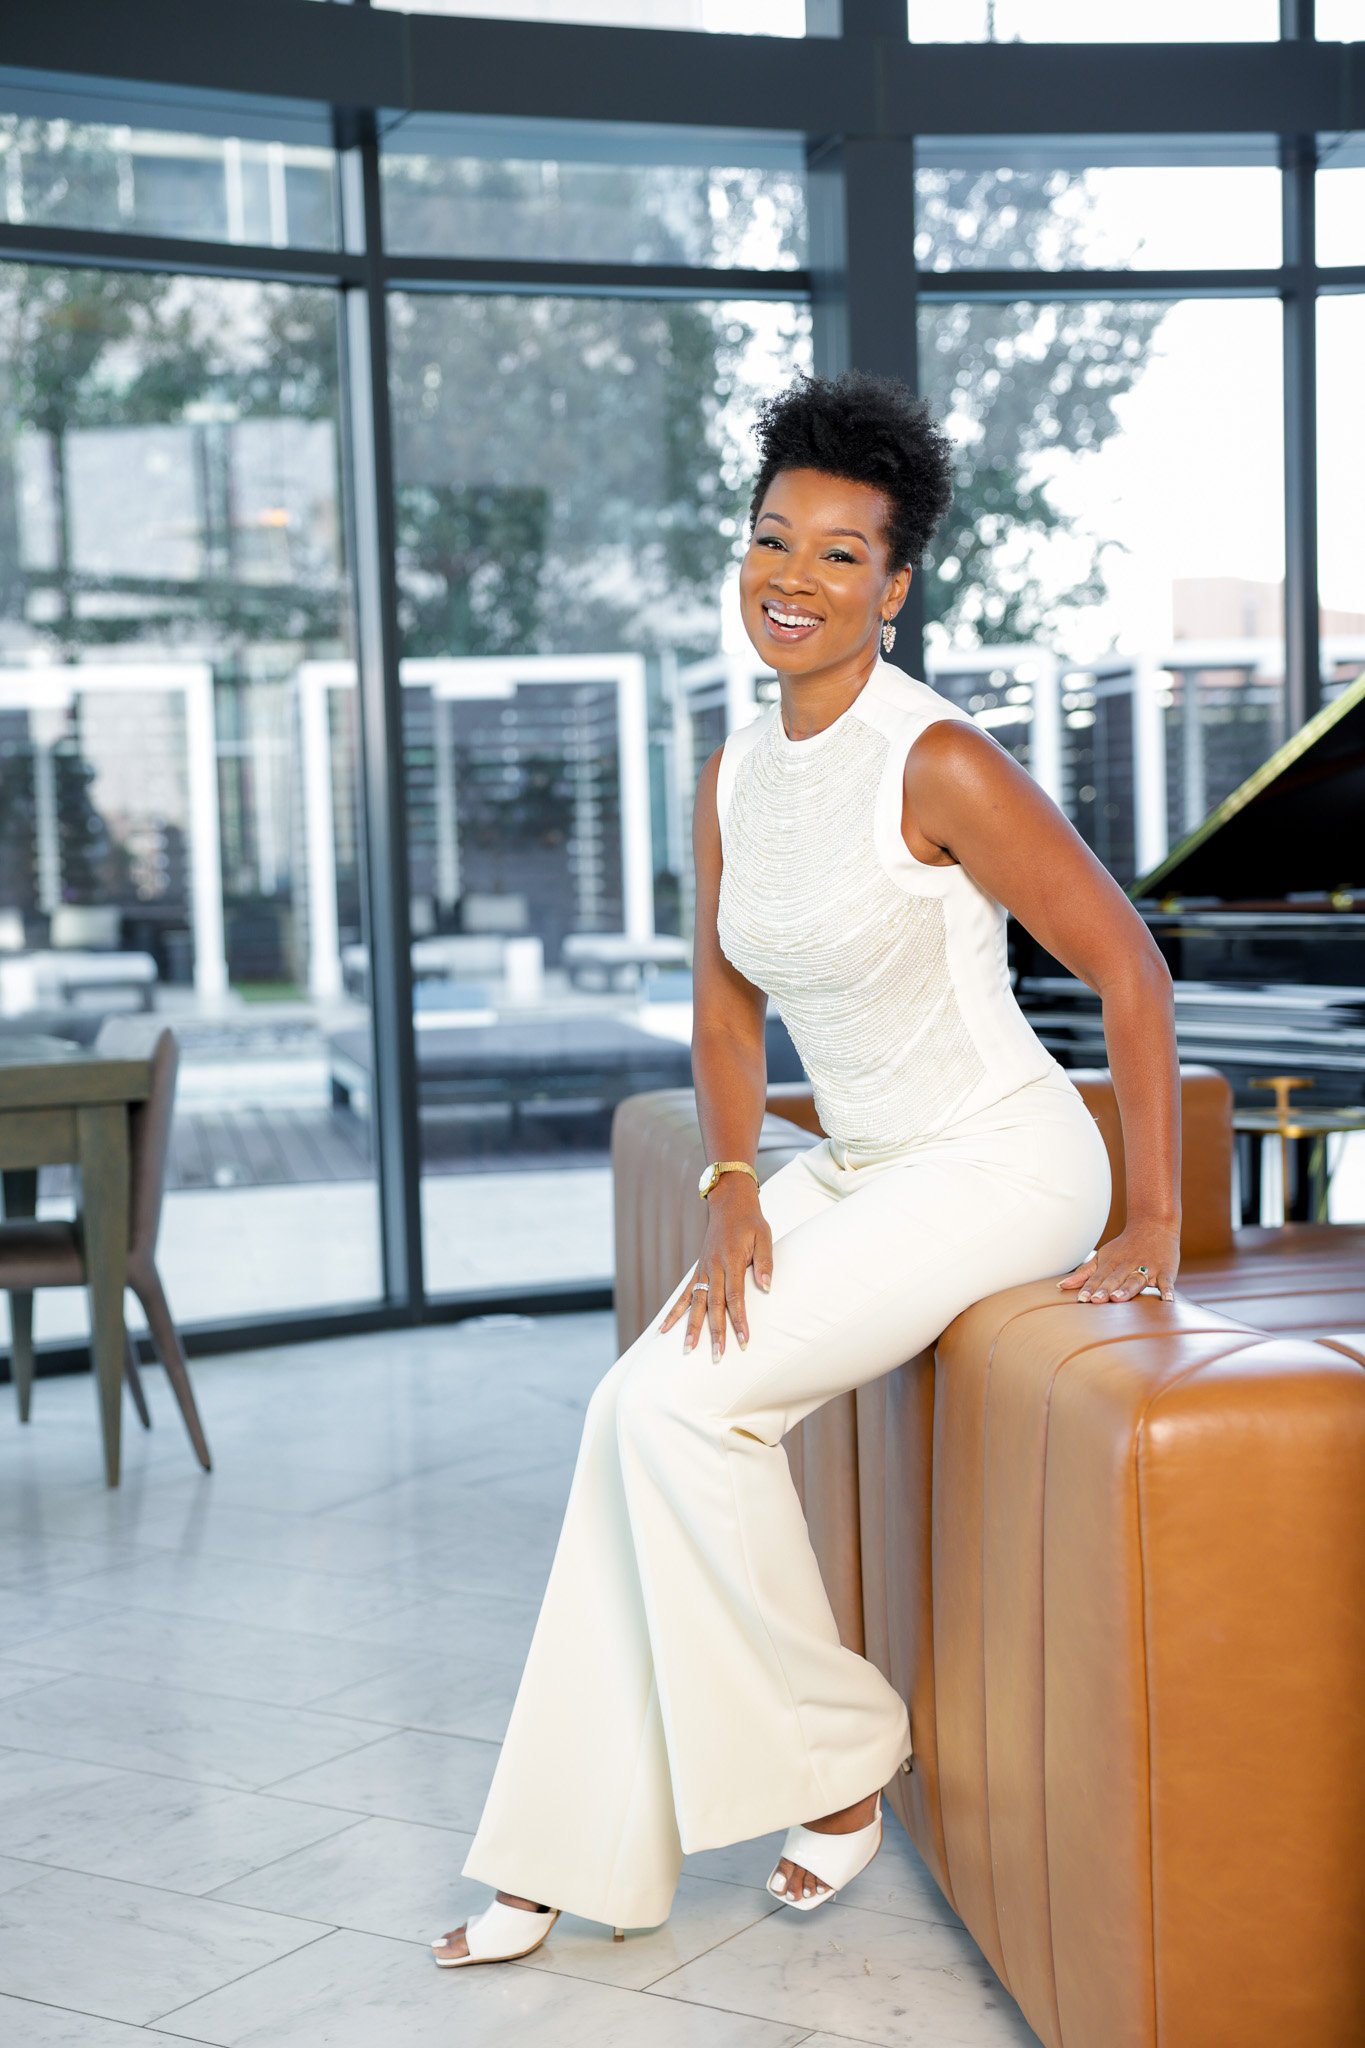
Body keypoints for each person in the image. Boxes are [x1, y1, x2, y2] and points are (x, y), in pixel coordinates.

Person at [432, 369, 1182, 1968]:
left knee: (680, 1403)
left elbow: (1128, 965)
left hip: (995, 1160)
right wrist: (730, 1187)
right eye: (774, 539)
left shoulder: (940, 763)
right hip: (851, 1160)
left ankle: (839, 1762)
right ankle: (563, 1844)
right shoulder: (734, 769)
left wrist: (1156, 1214)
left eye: (841, 554)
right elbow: (723, 1002)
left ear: (895, 589)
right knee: (628, 1411)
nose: (794, 575)